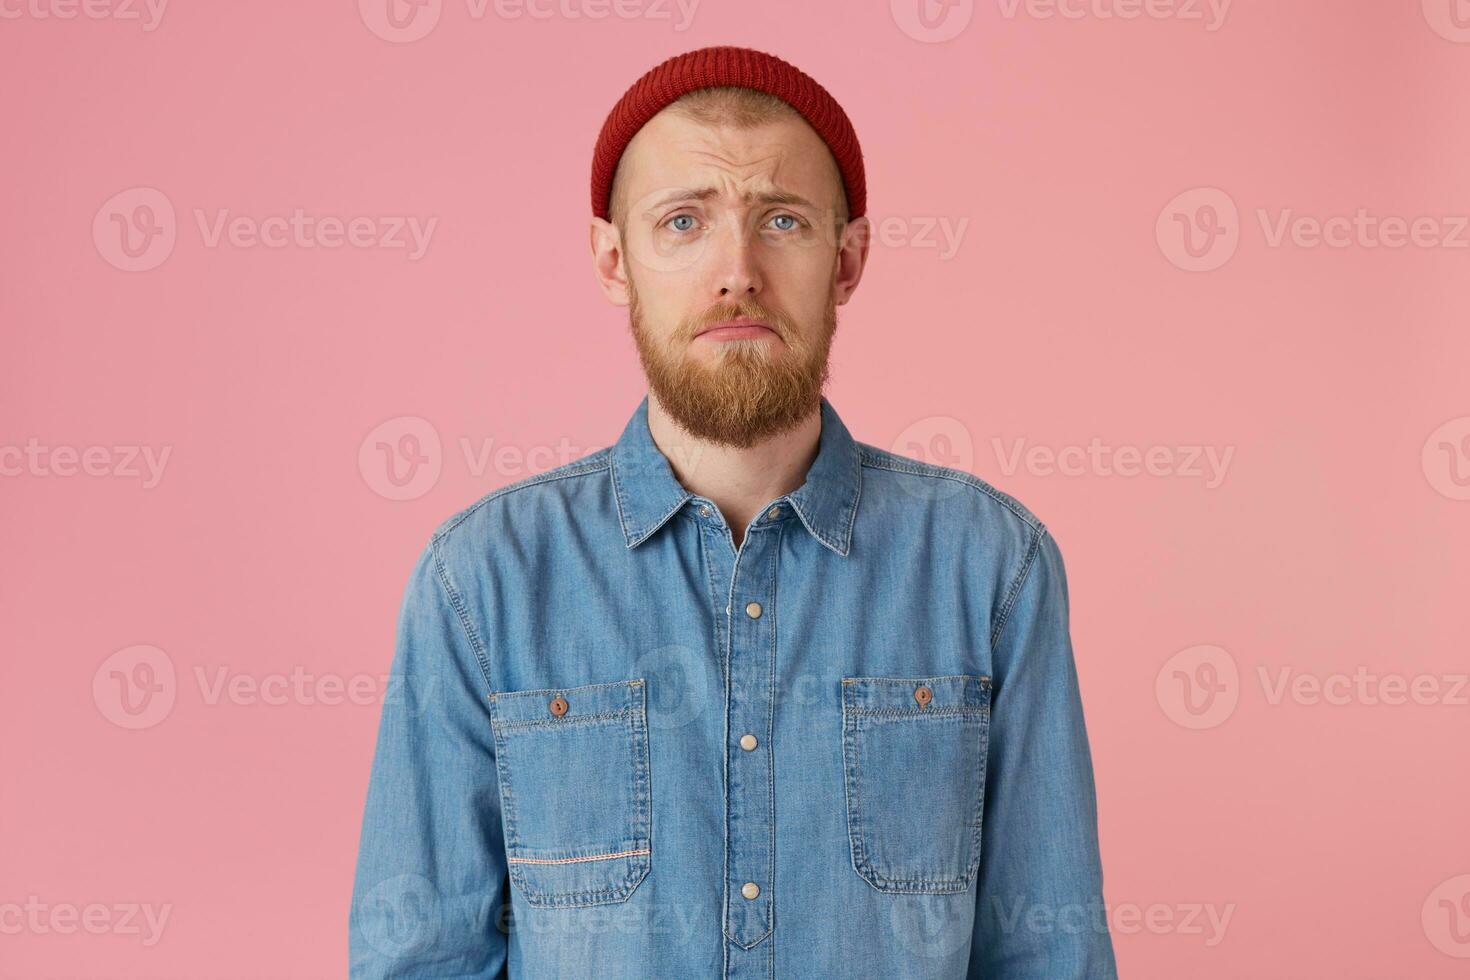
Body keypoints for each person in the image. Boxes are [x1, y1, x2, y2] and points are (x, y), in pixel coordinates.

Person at [349, 44, 1117, 979]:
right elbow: (422, 961)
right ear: (613, 261)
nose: (737, 272)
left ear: (847, 260)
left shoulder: (993, 569)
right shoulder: (481, 584)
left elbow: (1050, 954)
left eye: (783, 220)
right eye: (683, 221)